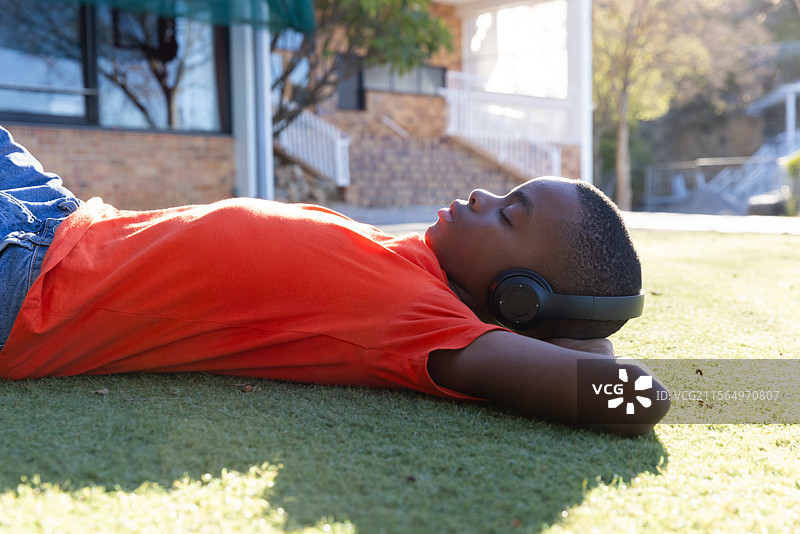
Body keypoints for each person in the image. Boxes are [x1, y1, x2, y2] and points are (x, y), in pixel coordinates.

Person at [0, 124, 669, 436]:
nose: (479, 195)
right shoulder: (412, 262)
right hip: (57, 214)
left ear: (519, 294)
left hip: (30, 282)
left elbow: (637, 397)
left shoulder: (422, 319)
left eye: (507, 214)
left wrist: (574, 335)